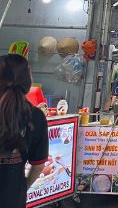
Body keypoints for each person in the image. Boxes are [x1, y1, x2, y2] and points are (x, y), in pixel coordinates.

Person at [0, 54, 49, 208]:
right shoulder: (36, 117)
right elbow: (39, 165)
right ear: (28, 81)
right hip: (13, 199)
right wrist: (22, 187)